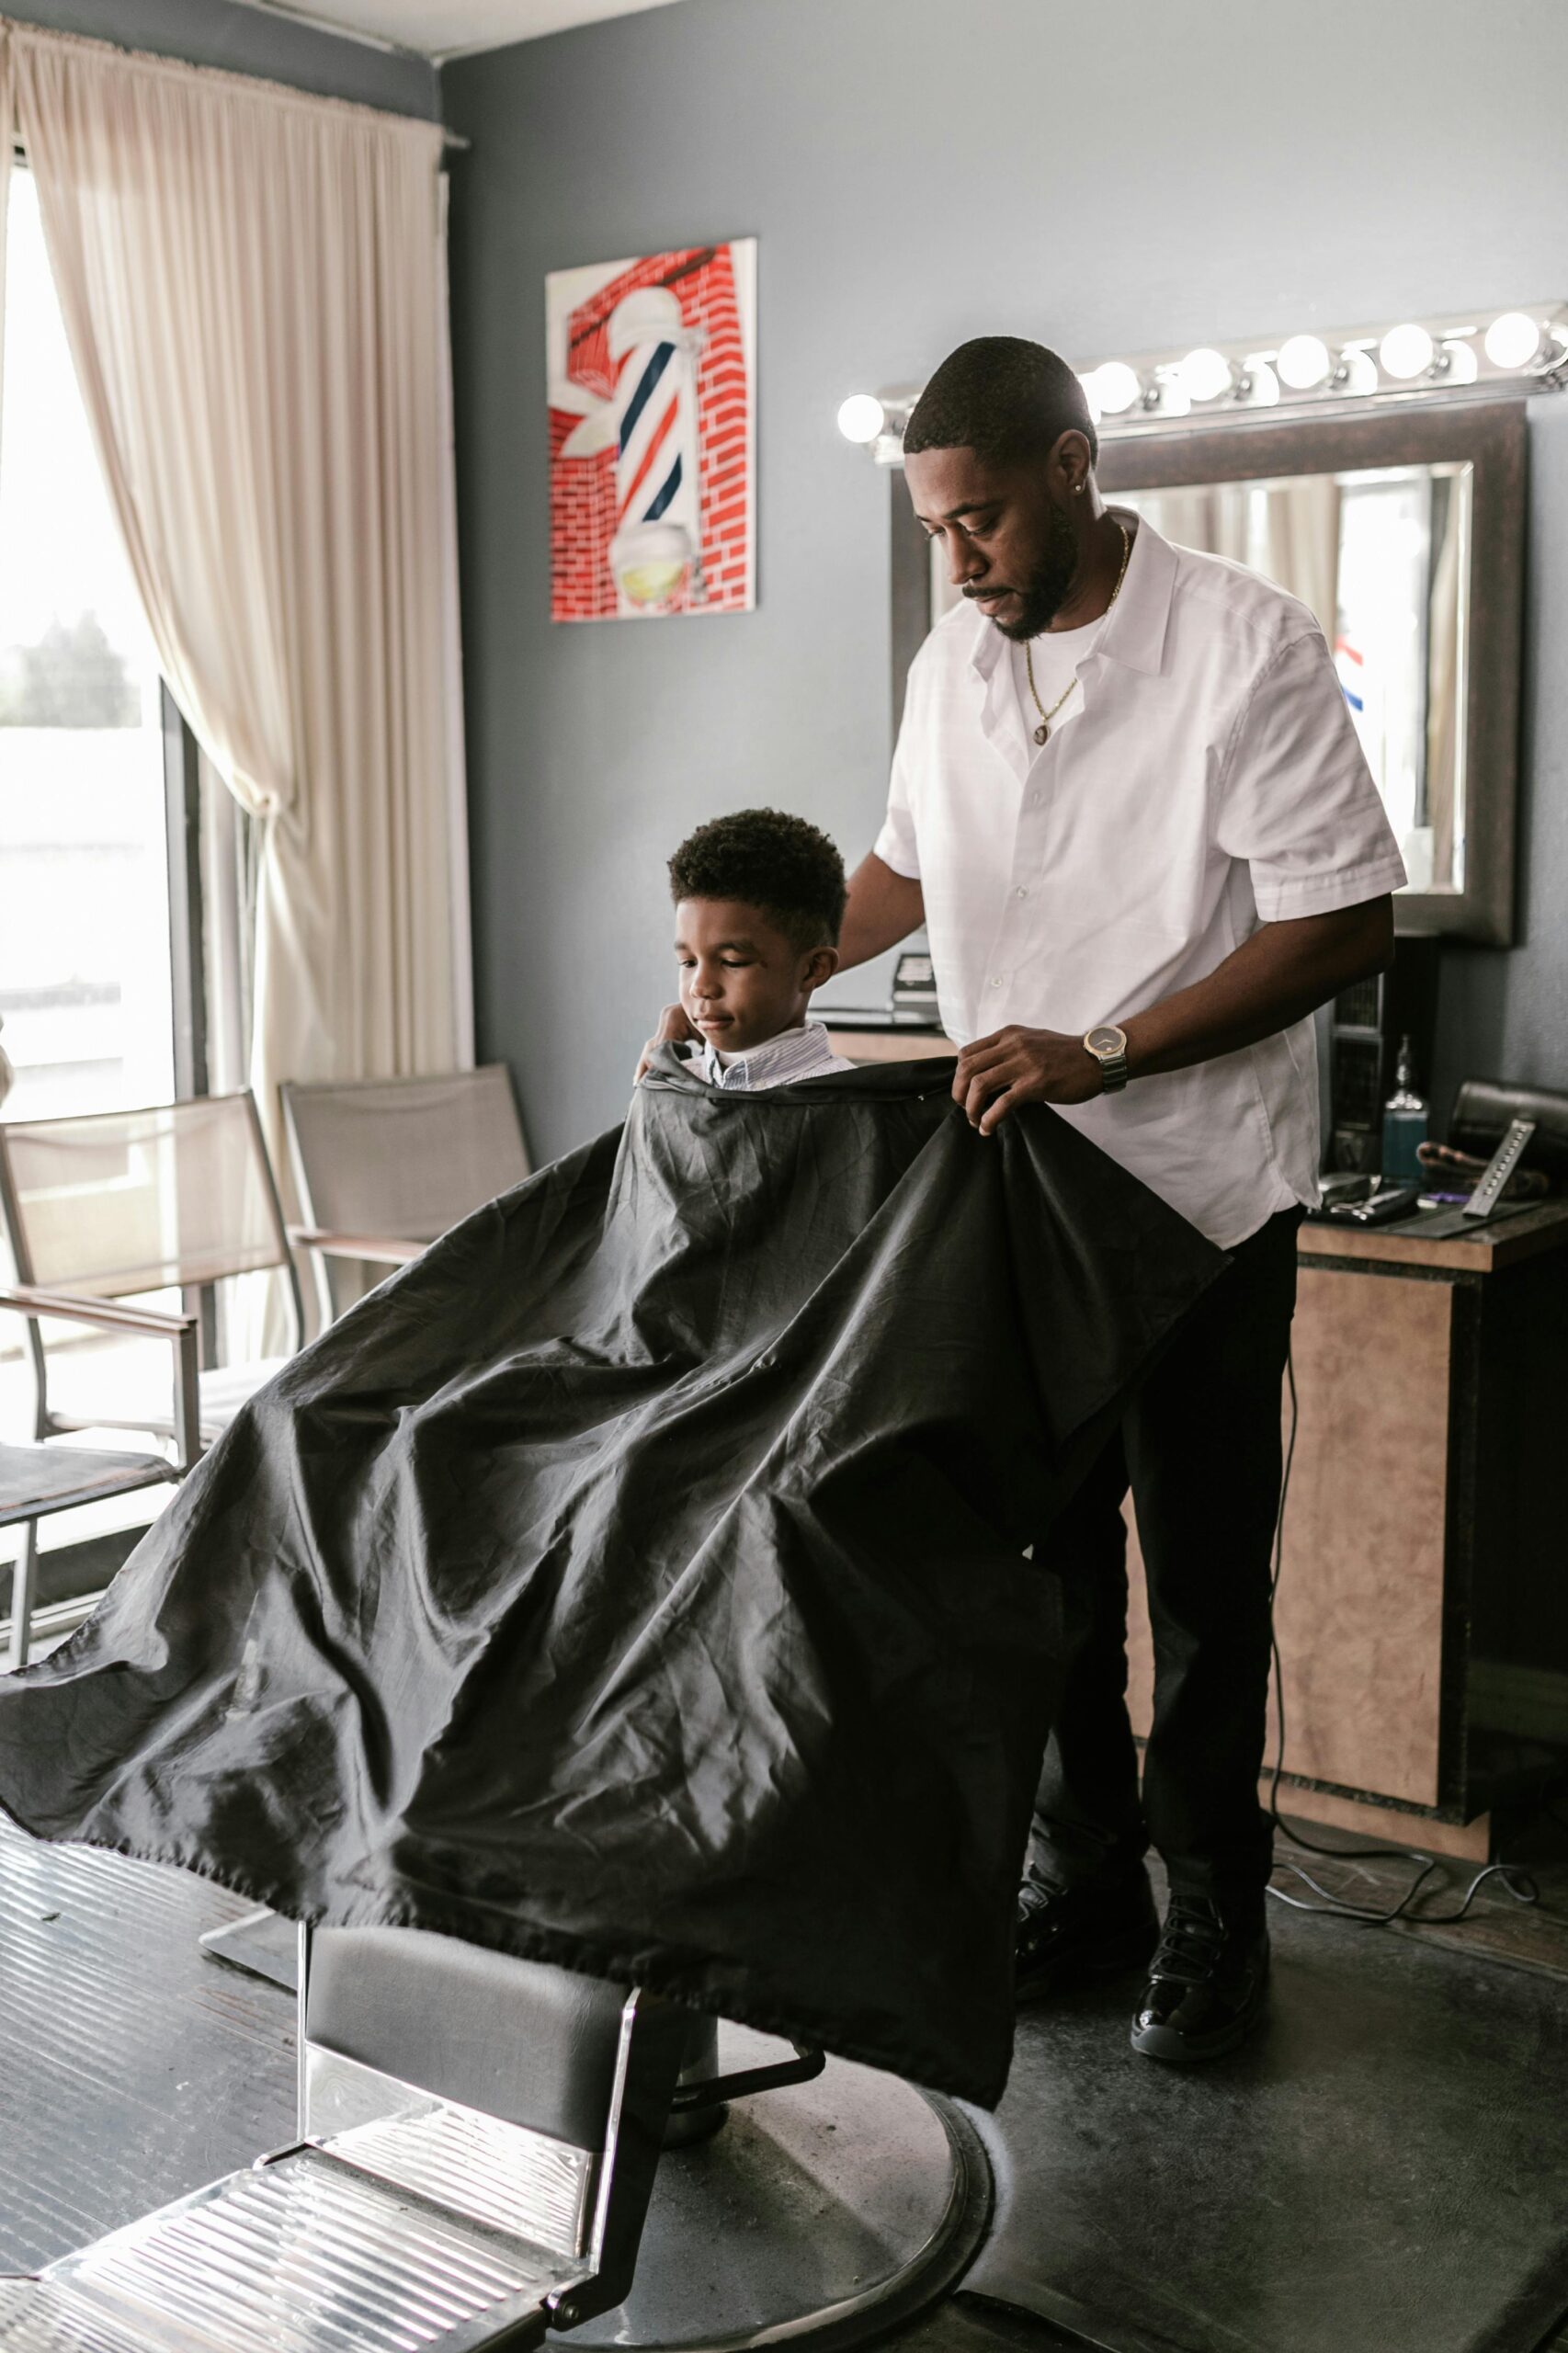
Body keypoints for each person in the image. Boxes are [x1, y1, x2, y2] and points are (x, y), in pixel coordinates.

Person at [647, 336, 1405, 2064]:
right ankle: (1095, 1882)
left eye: (982, 519)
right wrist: (753, 973)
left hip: (1194, 1203)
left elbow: (1344, 922)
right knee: (1041, 1571)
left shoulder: (1242, 648)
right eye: (936, 529)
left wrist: (1110, 1046)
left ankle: (1218, 1919)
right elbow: (908, 870)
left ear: (1072, 470)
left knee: (1206, 1583)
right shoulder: (950, 663)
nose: (962, 556)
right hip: (1007, 1196)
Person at [642, 807, 857, 1089]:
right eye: (688, 963)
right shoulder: (670, 1087)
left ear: (813, 969)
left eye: (732, 962)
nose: (700, 987)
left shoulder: (848, 1102)